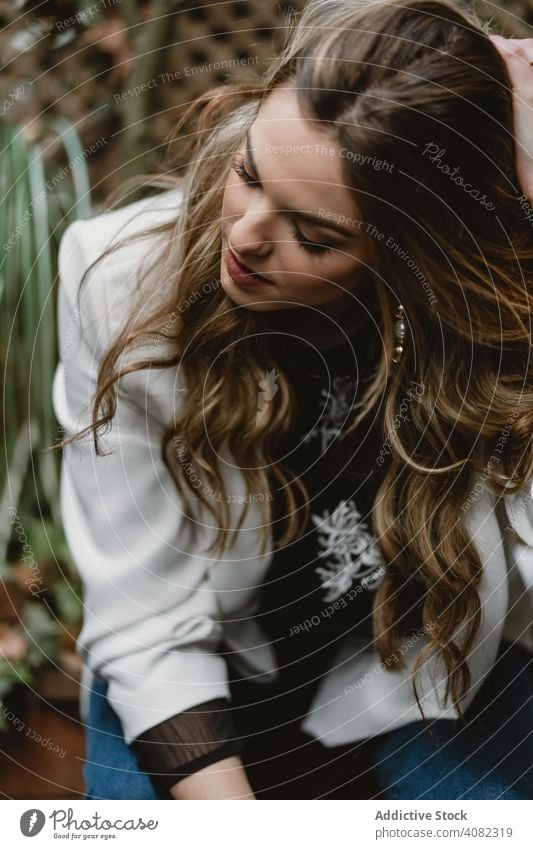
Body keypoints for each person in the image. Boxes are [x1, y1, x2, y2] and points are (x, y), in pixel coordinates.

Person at [51, 0, 533, 800]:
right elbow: (145, 625)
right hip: (197, 659)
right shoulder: (117, 283)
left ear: (410, 252)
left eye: (313, 236)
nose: (242, 236)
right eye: (247, 173)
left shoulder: (484, 325)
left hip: (418, 658)